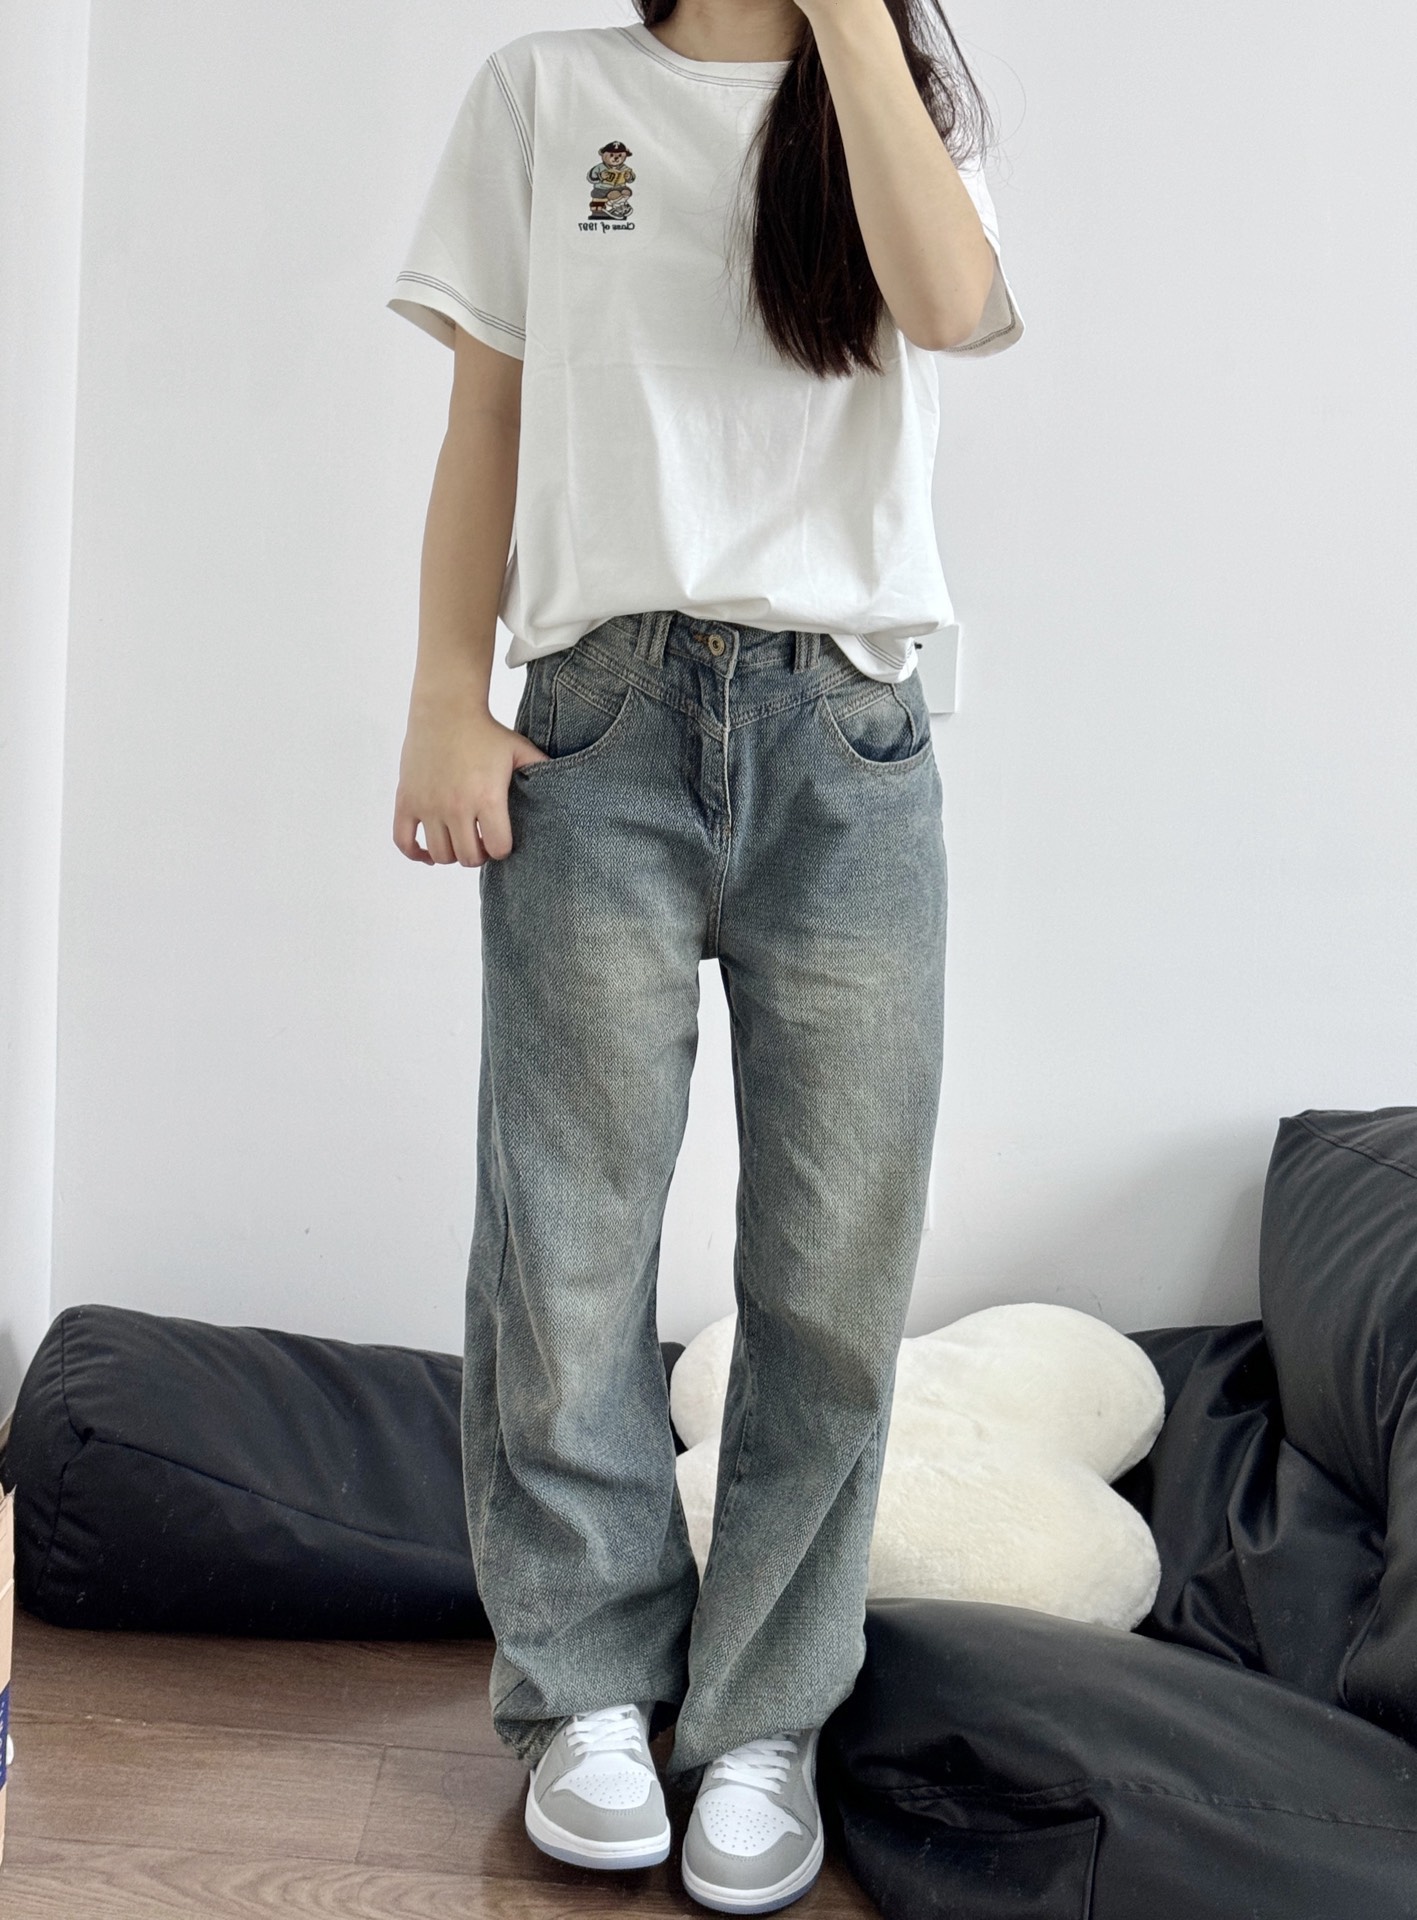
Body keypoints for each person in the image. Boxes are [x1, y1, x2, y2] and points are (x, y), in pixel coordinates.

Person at [386, 1, 1023, 1910]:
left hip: (850, 741)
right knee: (566, 1243)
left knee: (832, 1264)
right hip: (598, 721)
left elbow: (950, 305)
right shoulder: (547, 92)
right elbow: (487, 415)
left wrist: (852, 28)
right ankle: (585, 1691)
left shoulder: (895, 102)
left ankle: (760, 1715)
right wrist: (440, 697)